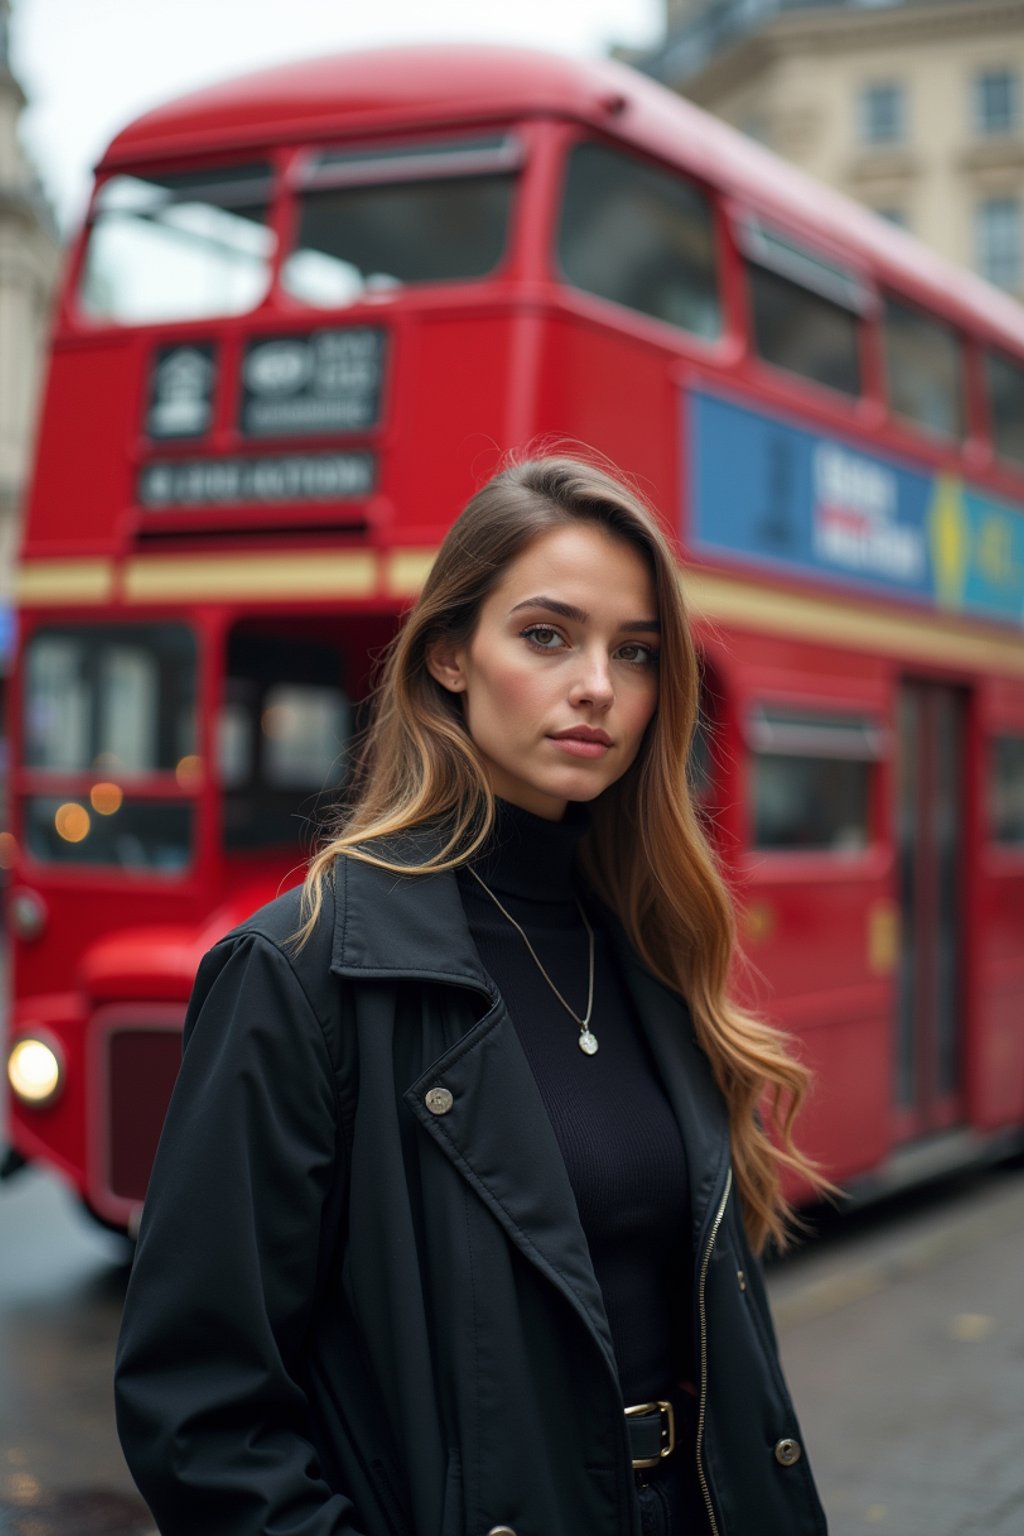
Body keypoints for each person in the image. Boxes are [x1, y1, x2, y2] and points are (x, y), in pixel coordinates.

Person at [115, 454, 829, 1536]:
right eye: (546, 636)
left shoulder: (651, 947)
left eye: (633, 653)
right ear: (449, 655)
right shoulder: (303, 969)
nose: (596, 684)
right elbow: (199, 1411)